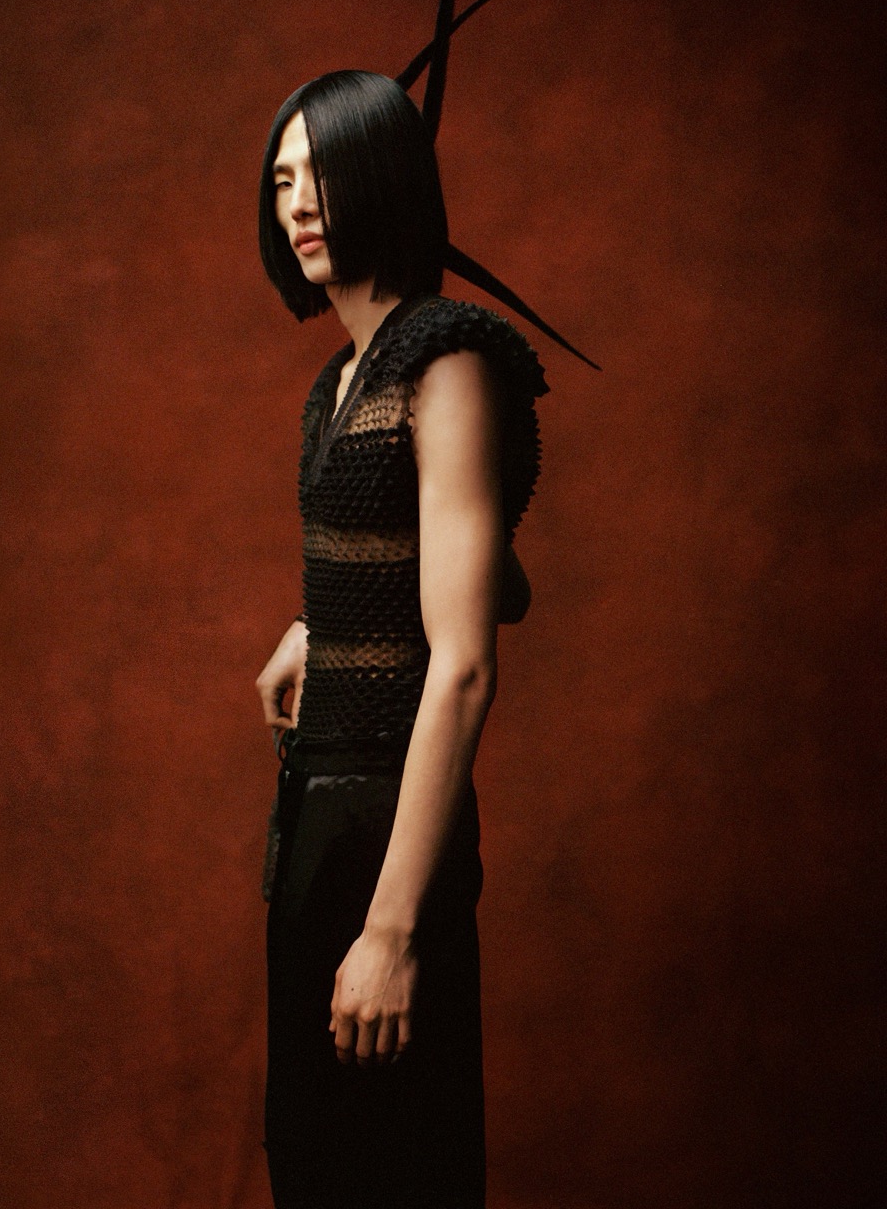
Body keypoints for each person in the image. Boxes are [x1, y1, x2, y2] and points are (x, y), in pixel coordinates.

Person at [254, 69, 549, 1209]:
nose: (297, 203)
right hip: (315, 822)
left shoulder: (446, 361)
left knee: (395, 1169)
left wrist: (391, 931)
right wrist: (316, 624)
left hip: (393, 826)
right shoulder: (341, 379)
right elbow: (431, 560)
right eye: (281, 179)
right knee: (313, 1159)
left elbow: (464, 662)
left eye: (322, 172)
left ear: (384, 174)